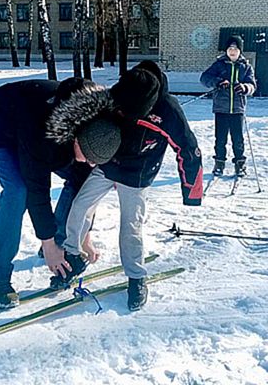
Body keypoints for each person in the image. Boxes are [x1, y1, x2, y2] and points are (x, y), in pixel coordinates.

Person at [53, 60, 203, 311]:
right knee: (79, 207)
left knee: (130, 226)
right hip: (108, 163)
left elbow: (188, 151)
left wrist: (192, 192)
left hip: (138, 173)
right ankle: (72, 258)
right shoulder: (115, 95)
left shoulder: (168, 110)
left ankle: (136, 277)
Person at [0, 78, 121, 308]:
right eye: (89, 157)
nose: (92, 164)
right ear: (75, 139)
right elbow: (37, 192)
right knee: (18, 190)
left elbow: (84, 195)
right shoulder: (41, 135)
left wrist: (83, 237)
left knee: (81, 181)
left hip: (40, 126)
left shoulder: (94, 132)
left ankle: (60, 245)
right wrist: (47, 242)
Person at [200, 35, 256, 177]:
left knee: (238, 139)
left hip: (237, 109)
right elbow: (205, 78)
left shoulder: (246, 67)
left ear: (240, 51)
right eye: (230, 48)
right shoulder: (219, 65)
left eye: (235, 49)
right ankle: (219, 163)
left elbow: (252, 85)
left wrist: (244, 87)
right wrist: (218, 82)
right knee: (220, 139)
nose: (232, 51)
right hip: (221, 108)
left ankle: (240, 164)